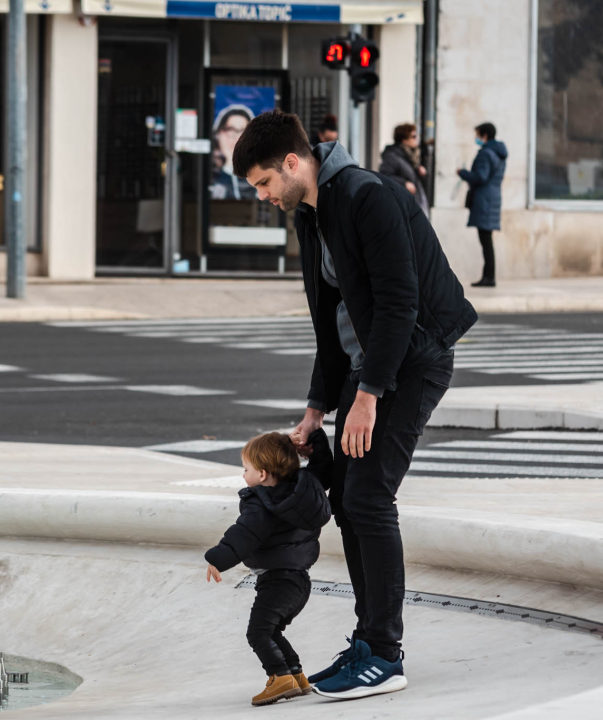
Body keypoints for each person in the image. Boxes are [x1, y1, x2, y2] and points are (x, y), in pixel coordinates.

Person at [231, 110, 477, 701]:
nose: (264, 197)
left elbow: (399, 304)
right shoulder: (312, 212)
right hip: (371, 363)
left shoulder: (370, 197)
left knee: (368, 497)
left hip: (414, 358)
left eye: (264, 182)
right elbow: (330, 320)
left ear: (293, 163)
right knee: (347, 494)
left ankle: (384, 653)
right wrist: (318, 407)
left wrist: (367, 397)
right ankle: (369, 644)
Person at [205, 429, 332, 707]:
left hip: (276, 581)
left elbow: (244, 534)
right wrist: (316, 441)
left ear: (262, 475)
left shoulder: (262, 504)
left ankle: (279, 677)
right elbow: (323, 469)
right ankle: (297, 676)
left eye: (246, 469)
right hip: (299, 581)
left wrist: (218, 558)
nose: (243, 475)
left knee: (258, 633)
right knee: (272, 631)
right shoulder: (304, 491)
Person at [457, 122, 508, 287]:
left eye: (478, 135)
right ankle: (488, 276)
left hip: (484, 200)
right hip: (492, 198)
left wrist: (463, 173)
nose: (477, 138)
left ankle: (489, 277)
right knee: (487, 239)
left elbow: (480, 177)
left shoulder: (486, 154)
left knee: (485, 240)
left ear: (485, 136)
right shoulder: (498, 153)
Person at [379, 123, 429, 217]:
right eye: (413, 136)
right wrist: (404, 183)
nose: (416, 138)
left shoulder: (411, 156)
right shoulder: (392, 155)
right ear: (404, 140)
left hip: (414, 202)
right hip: (401, 206)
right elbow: (384, 176)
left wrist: (418, 170)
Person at [211, 106, 256, 200]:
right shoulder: (210, 175)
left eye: (243, 131)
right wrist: (228, 164)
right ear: (219, 134)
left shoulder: (258, 176)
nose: (236, 138)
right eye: (230, 130)